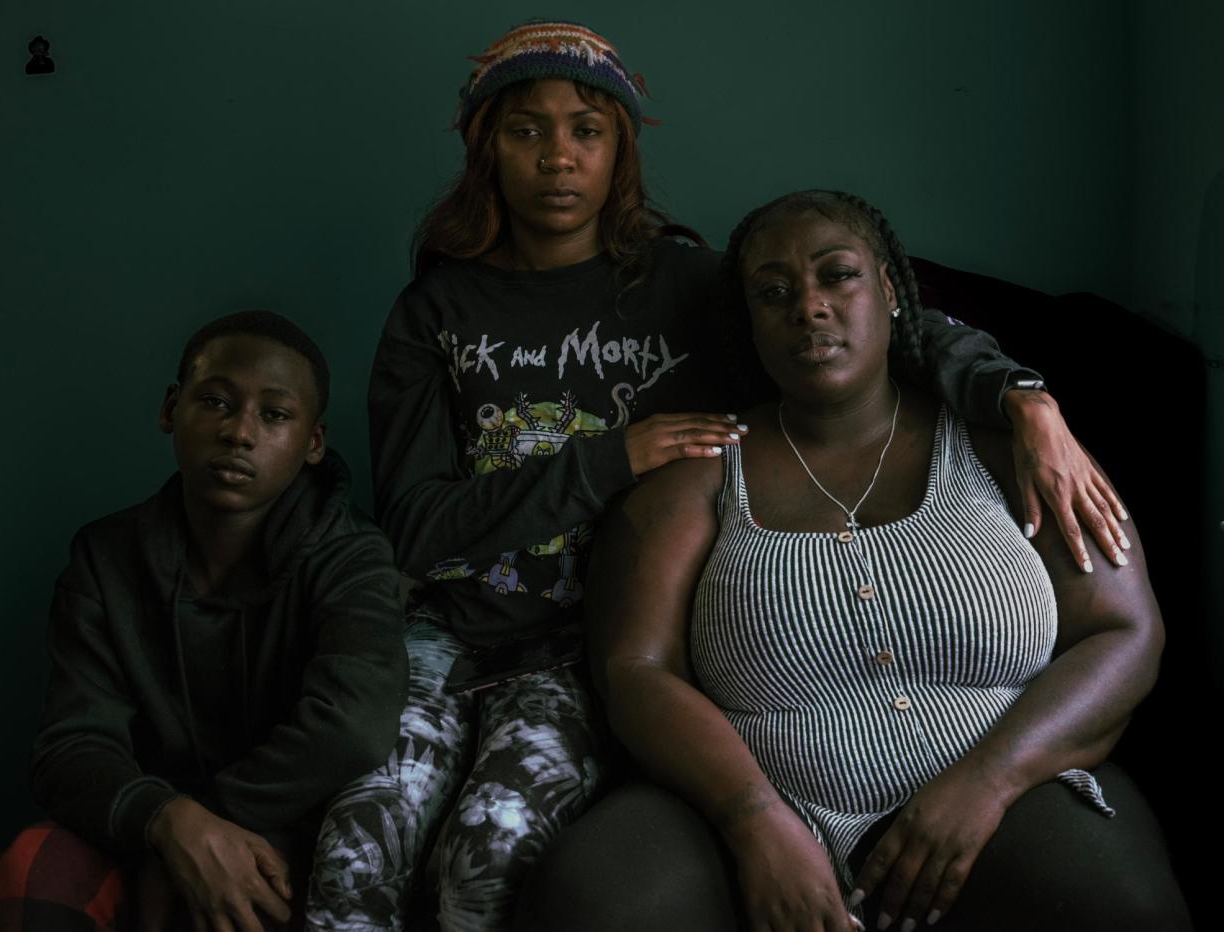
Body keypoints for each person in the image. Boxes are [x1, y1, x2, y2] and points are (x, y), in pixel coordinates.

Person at [306, 22, 1130, 932]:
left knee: (488, 858)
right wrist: (609, 459)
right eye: (524, 131)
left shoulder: (685, 284)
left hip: (582, 643)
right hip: (449, 630)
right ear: (483, 148)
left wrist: (1019, 394)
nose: (556, 158)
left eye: (586, 128)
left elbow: (867, 324)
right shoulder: (436, 311)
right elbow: (415, 528)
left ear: (621, 150)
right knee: (355, 851)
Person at [568, 191, 1190, 932]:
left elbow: (1124, 632)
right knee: (596, 901)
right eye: (774, 293)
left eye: (838, 276)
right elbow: (638, 668)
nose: (810, 307)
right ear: (749, 322)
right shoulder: (698, 471)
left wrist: (986, 785)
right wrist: (754, 818)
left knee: (1122, 910)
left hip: (1007, 790)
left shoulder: (1010, 448)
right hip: (753, 798)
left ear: (891, 292)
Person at [0, 311, 408, 932]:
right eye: (215, 400)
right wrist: (167, 823)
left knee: (240, 896)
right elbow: (72, 746)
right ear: (170, 408)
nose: (239, 432)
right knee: (36, 865)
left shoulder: (351, 558)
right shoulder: (105, 557)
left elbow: (353, 726)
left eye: (274, 414)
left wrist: (206, 825)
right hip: (141, 820)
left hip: (281, 833)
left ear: (313, 443)